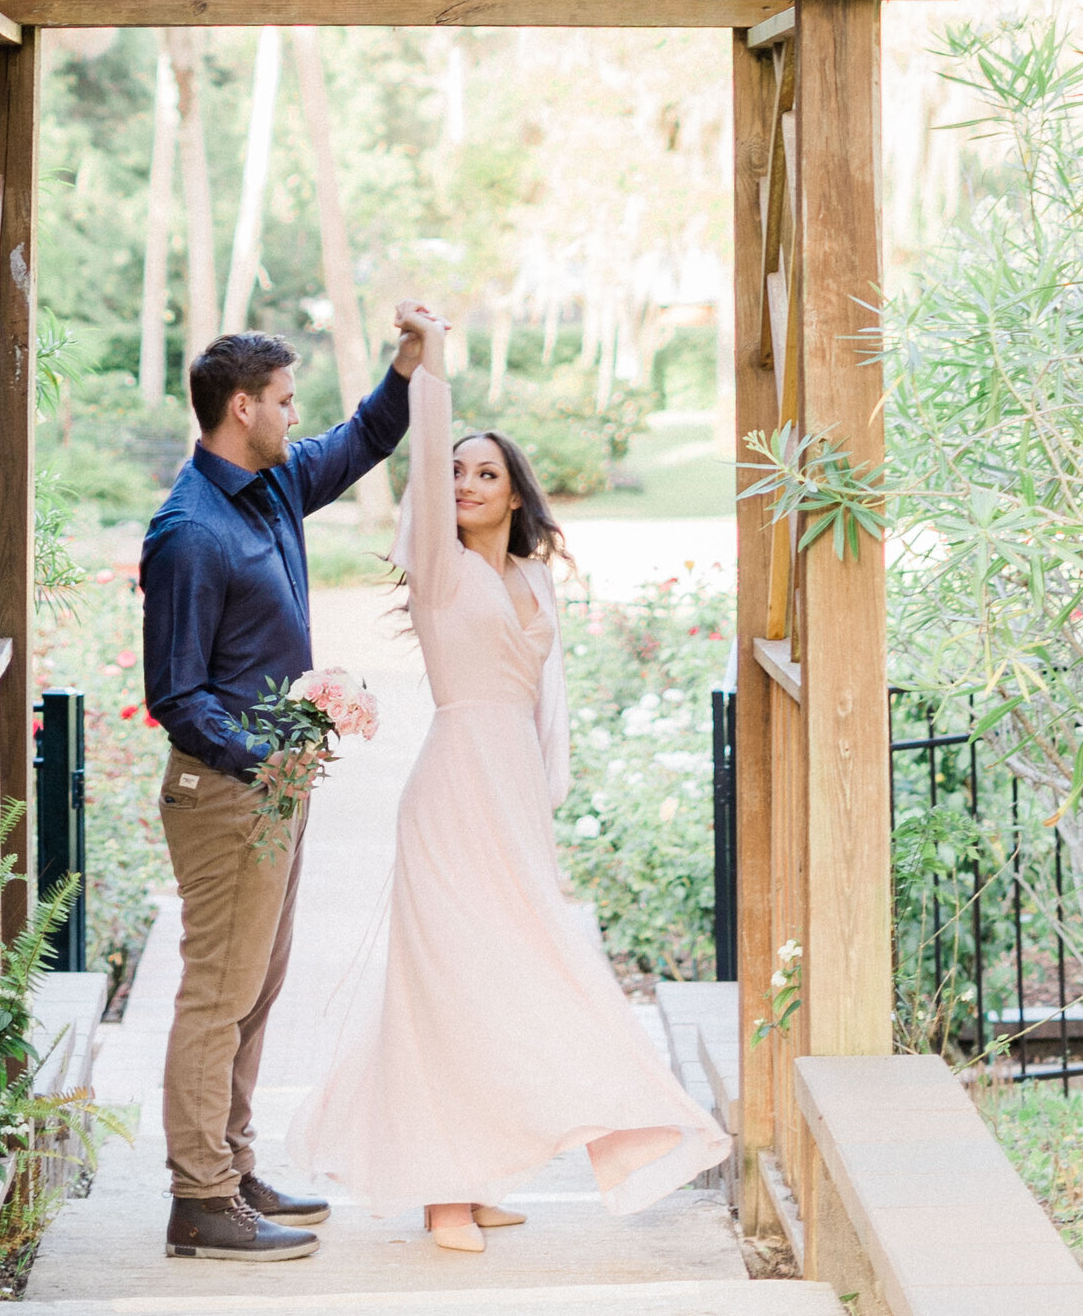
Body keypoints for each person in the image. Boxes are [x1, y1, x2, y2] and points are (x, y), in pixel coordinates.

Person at [288, 313, 730, 1252]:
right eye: (457, 470)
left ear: (517, 494)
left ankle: (479, 1168)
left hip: (515, 799)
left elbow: (549, 707)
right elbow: (421, 467)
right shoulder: (440, 571)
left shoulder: (534, 580)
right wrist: (432, 369)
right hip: (451, 795)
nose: (464, 483)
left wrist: (546, 799)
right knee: (445, 984)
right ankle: (441, 1189)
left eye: (486, 473)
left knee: (514, 977)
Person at [142, 305, 440, 1263]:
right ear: (241, 408)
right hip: (226, 792)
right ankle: (200, 1199)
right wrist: (259, 758)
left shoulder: (270, 488)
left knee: (257, 987)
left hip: (273, 786)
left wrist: (404, 363)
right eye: (282, 399)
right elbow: (177, 694)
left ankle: (233, 1166)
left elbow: (364, 439)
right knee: (217, 995)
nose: (294, 412)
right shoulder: (188, 531)